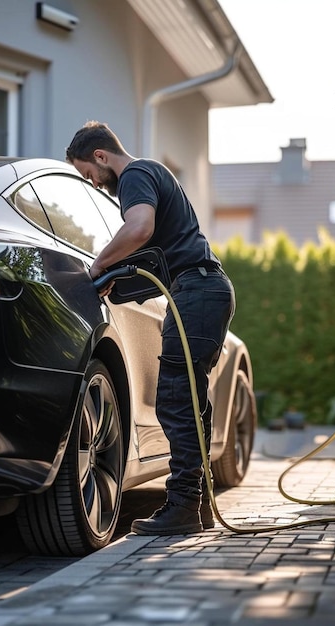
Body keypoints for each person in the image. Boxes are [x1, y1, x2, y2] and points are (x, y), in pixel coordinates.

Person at [66, 121, 235, 535]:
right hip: (205, 290)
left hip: (196, 292)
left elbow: (139, 228)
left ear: (101, 156)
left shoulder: (136, 174)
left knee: (176, 400)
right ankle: (198, 507)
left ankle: (180, 509)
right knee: (192, 403)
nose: (94, 183)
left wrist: (99, 264)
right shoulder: (153, 174)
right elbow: (151, 245)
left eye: (89, 173)